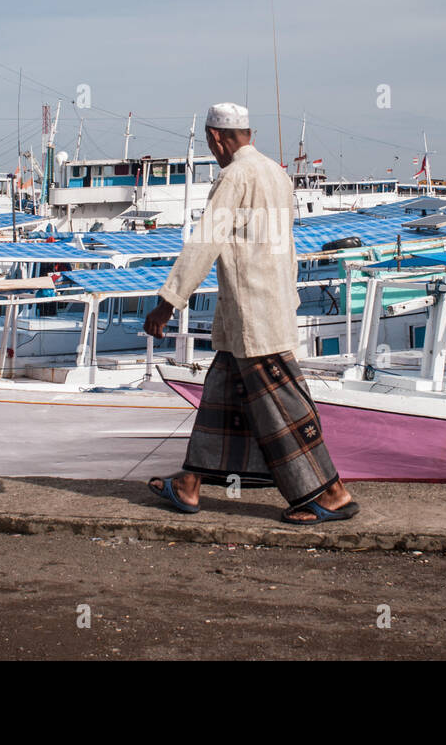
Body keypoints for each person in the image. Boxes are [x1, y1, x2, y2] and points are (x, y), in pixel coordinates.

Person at [144, 102, 357, 525]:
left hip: (253, 314)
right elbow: (287, 247)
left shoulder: (234, 176)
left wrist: (168, 303)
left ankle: (332, 493)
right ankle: (189, 485)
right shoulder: (277, 174)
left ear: (215, 138)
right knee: (220, 403)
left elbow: (204, 244)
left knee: (285, 408)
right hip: (265, 308)